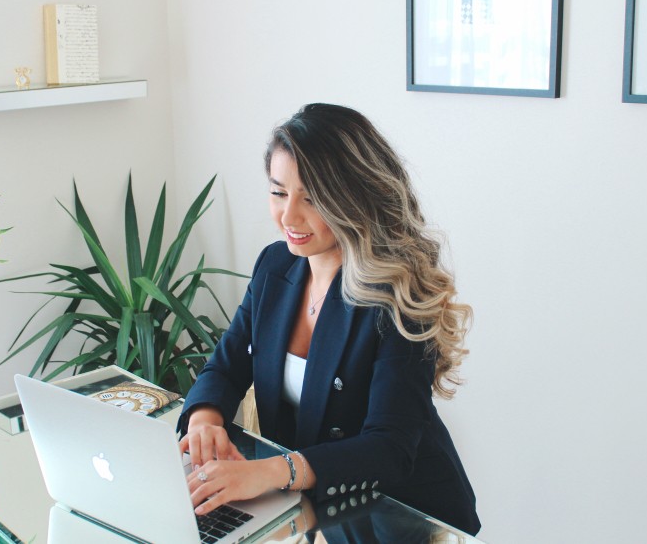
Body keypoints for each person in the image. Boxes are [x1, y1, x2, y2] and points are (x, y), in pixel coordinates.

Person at [177, 103, 480, 535]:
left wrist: (269, 472)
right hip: (319, 509)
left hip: (403, 514)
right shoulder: (275, 266)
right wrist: (204, 420)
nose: (289, 216)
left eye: (312, 198)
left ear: (354, 197)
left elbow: (389, 449)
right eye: (279, 193)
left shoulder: (398, 293)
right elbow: (226, 367)